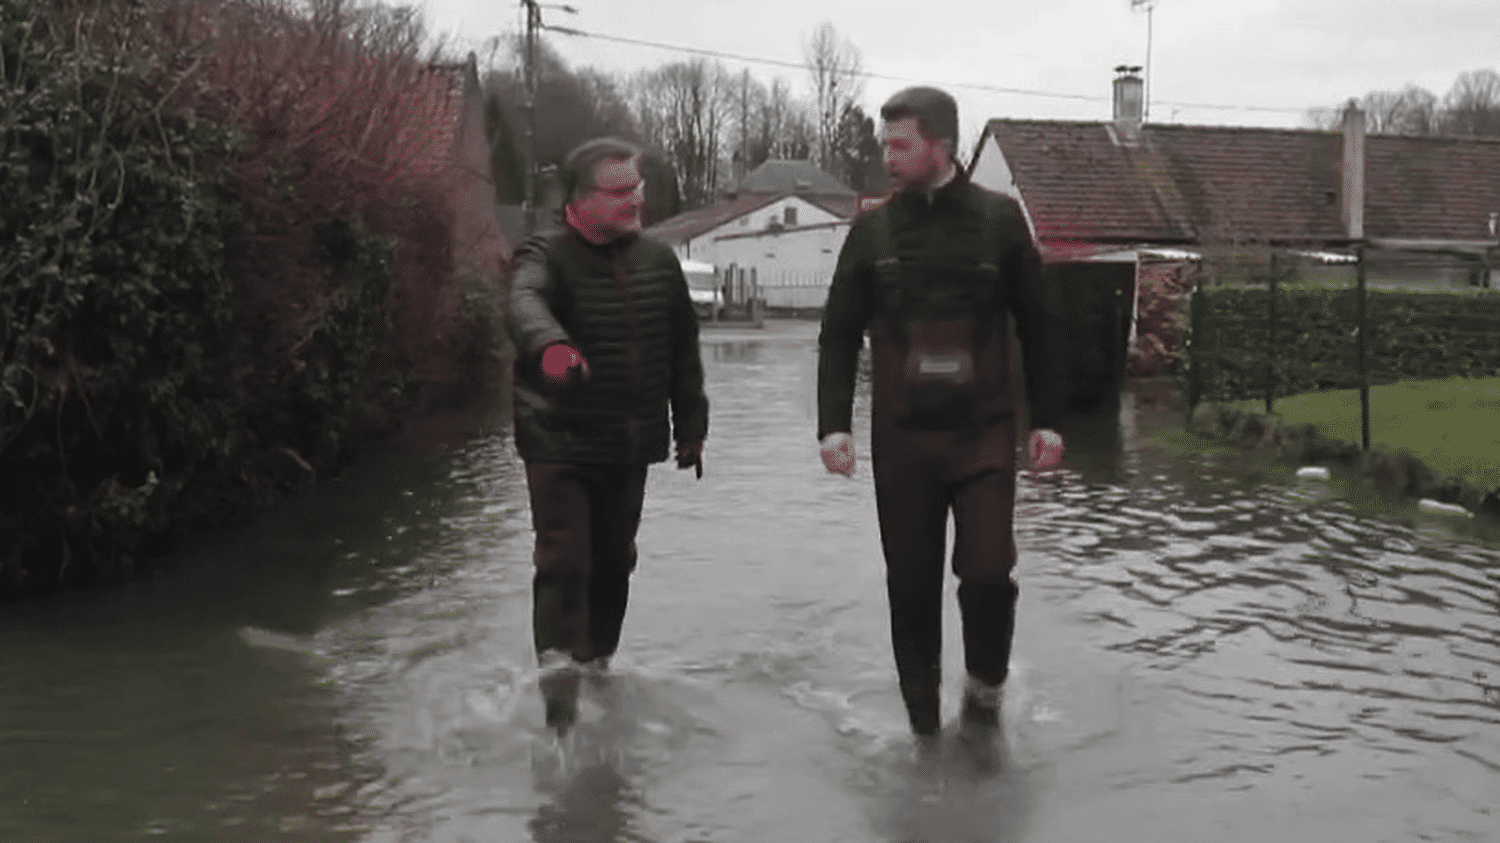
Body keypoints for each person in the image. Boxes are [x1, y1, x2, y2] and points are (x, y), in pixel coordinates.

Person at [816, 87, 1067, 740]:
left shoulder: (1000, 221)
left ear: (942, 147)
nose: (887, 155)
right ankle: (924, 732)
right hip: (901, 439)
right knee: (911, 585)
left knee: (987, 571)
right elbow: (839, 332)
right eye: (885, 143)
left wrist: (1048, 418)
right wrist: (833, 423)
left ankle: (984, 697)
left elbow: (1040, 324)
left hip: (983, 433)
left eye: (900, 143)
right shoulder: (871, 233)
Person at [508, 136, 709, 734]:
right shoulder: (543, 254)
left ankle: (597, 669)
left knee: (615, 561)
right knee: (565, 559)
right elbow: (522, 303)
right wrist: (552, 348)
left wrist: (691, 429)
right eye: (618, 192)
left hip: (630, 441)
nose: (634, 202)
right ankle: (558, 702)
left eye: (636, 188)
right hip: (559, 439)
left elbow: (683, 351)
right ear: (580, 198)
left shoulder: (658, 262)